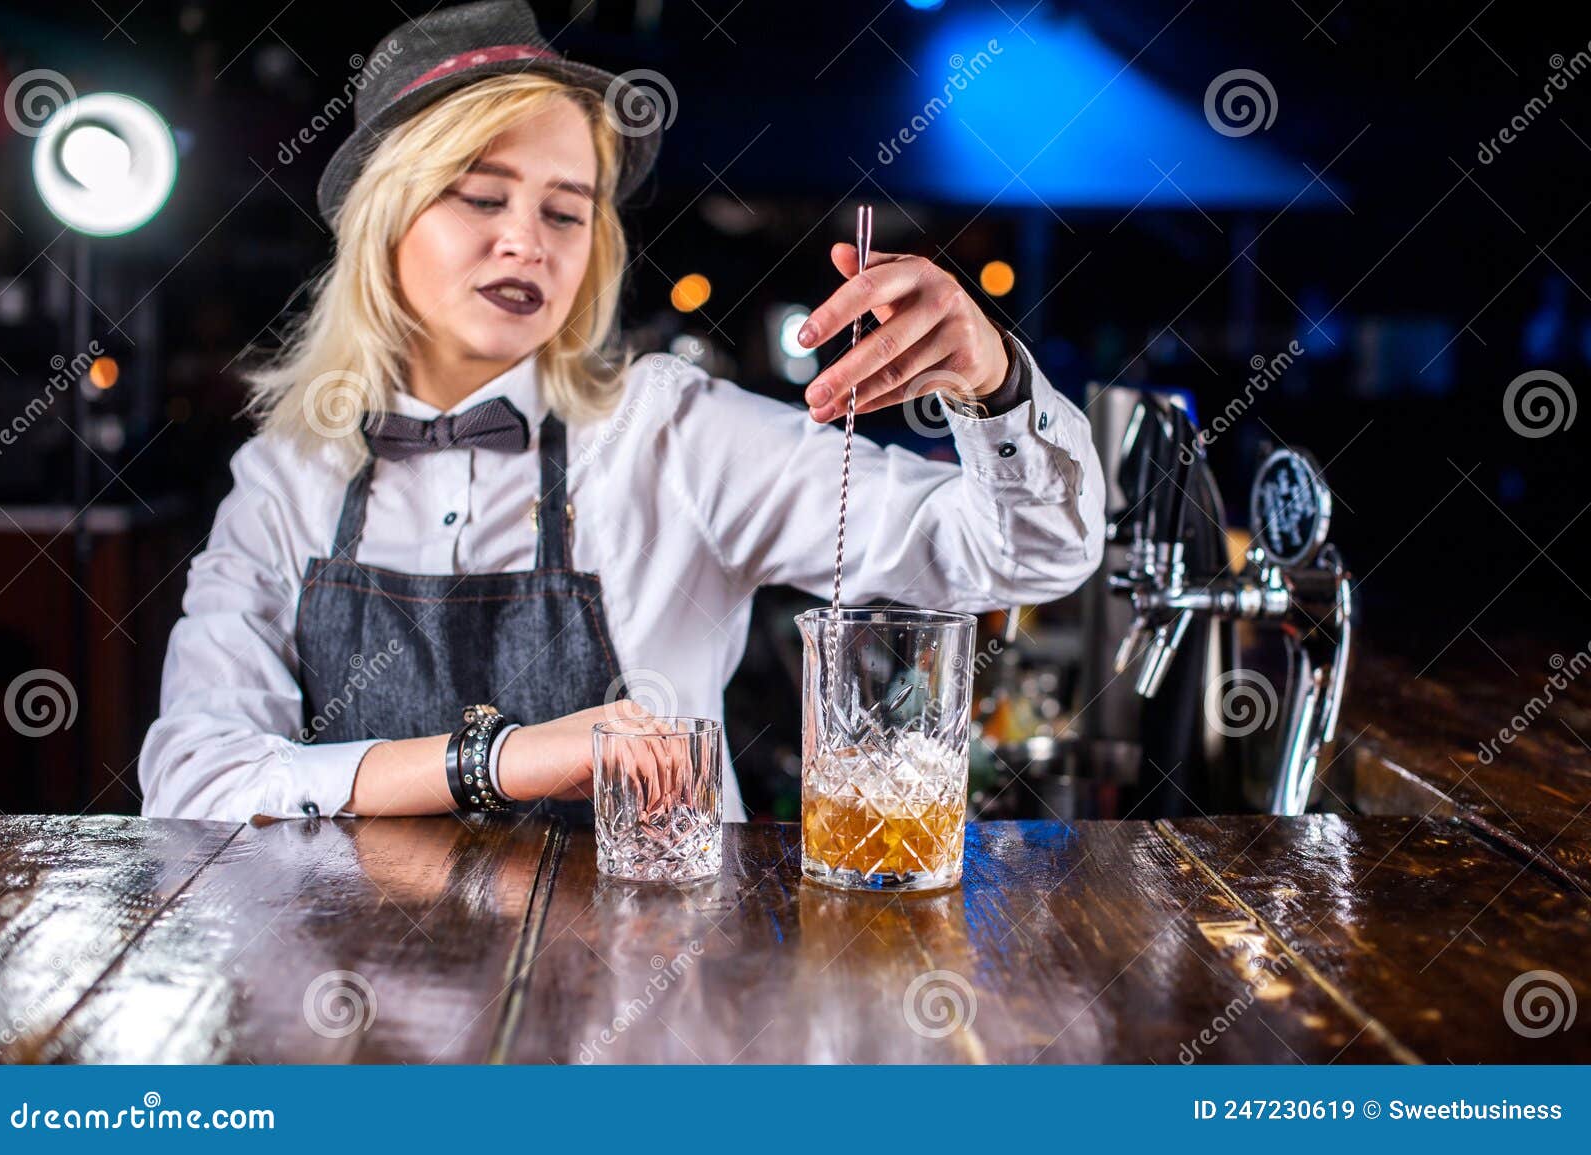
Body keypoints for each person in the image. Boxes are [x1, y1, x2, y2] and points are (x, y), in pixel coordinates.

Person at [138, 0, 1106, 825]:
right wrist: (500, 758)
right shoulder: (289, 475)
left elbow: (1021, 557)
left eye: (565, 212)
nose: (526, 241)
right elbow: (192, 784)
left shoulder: (667, 435)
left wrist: (997, 387)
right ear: (385, 222)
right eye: (481, 196)